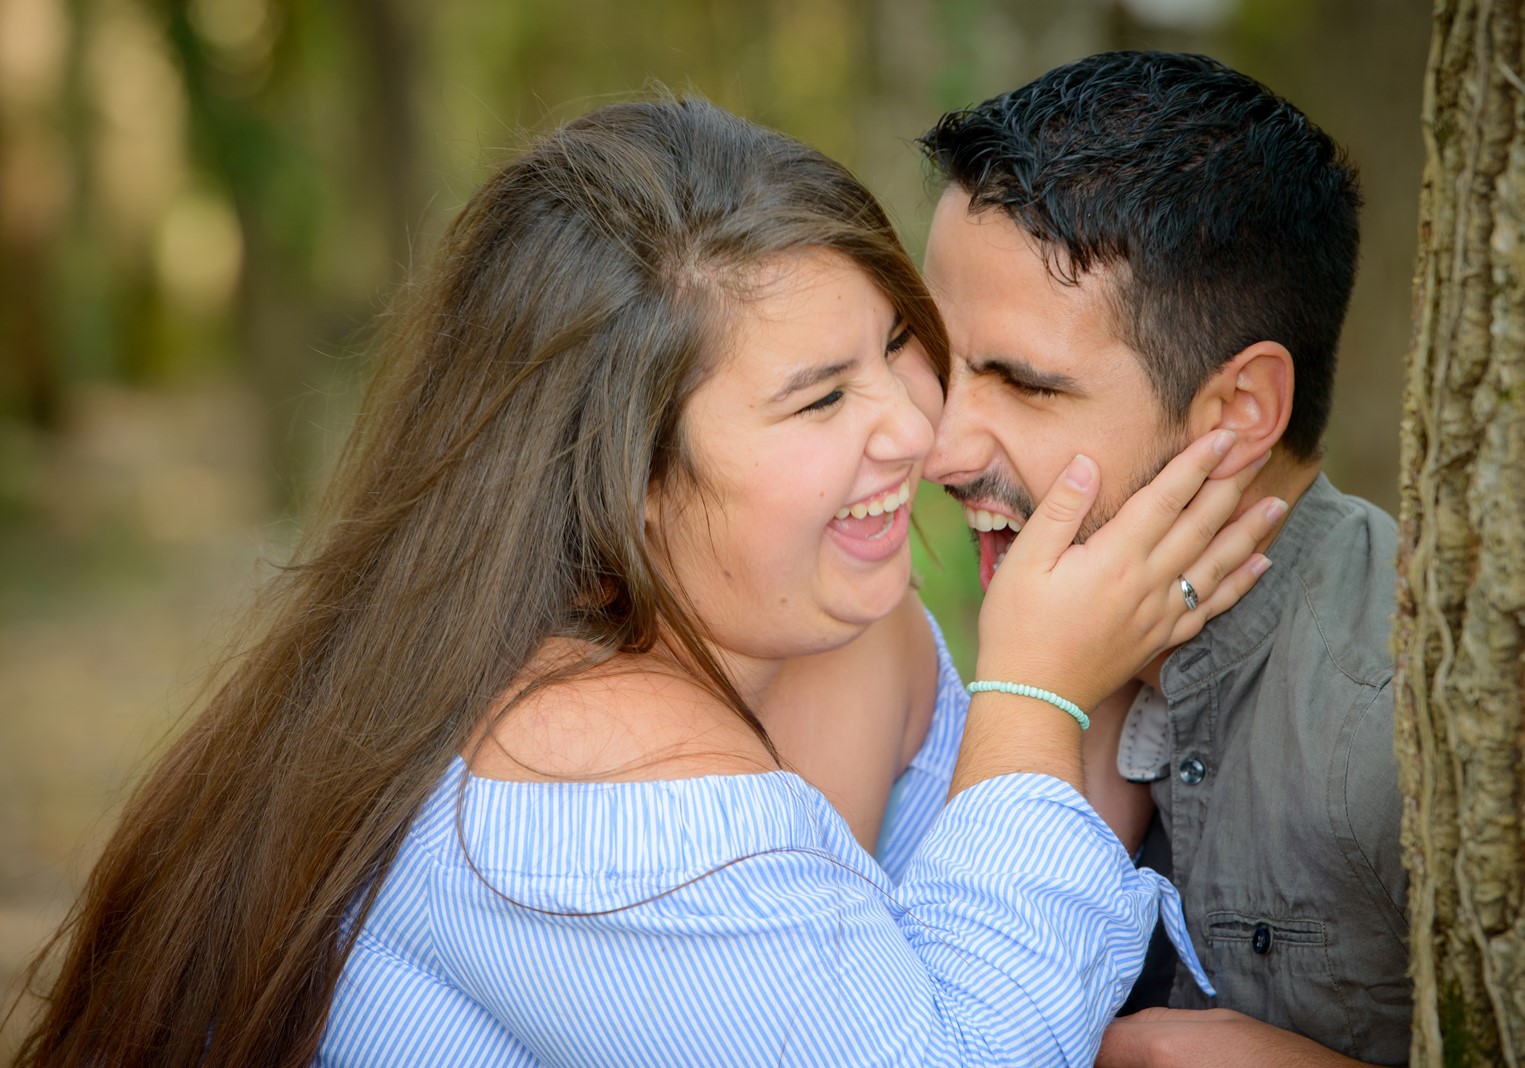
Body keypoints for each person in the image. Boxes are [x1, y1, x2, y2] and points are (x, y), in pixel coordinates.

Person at [11, 96, 1284, 1067]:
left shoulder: (807, 630)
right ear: (628, 482)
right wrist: (1032, 693)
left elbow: (933, 928)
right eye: (819, 396)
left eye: (899, 344)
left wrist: (1083, 654)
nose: (917, 425)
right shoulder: (591, 782)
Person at [917, 52, 1407, 1067]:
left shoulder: (1410, 717)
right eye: (939, 362)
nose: (939, 449)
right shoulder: (945, 670)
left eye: (1024, 385)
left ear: (1234, 415)